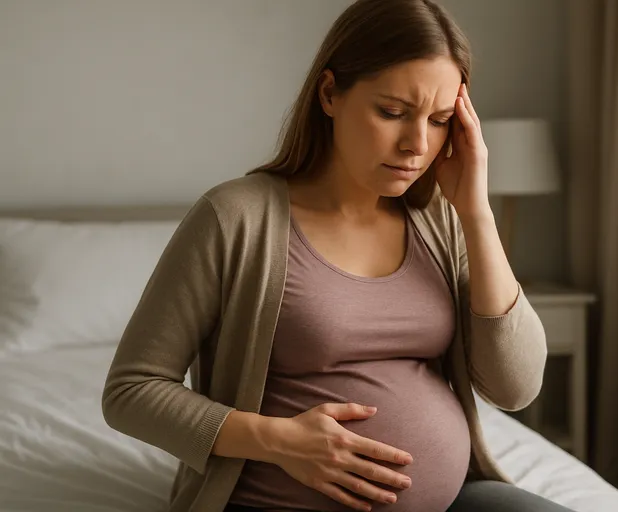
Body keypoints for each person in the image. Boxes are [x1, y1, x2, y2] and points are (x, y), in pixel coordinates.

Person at [102, 0, 571, 511]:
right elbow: (132, 390)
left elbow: (516, 386)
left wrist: (476, 213)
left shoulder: (439, 219)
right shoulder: (236, 218)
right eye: (393, 112)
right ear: (330, 94)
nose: (417, 143)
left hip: (455, 500)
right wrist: (279, 440)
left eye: (438, 121)